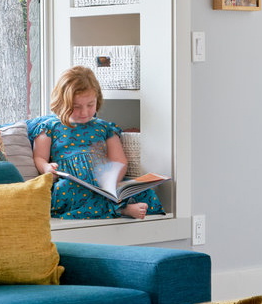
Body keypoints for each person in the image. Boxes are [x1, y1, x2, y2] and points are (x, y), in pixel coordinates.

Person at [32, 66, 164, 220]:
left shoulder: (104, 128)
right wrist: (47, 168)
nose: (84, 112)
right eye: (76, 107)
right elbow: (39, 157)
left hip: (103, 183)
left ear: (98, 100)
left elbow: (119, 160)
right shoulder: (50, 127)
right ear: (62, 102)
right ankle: (121, 210)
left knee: (142, 190)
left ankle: (115, 205)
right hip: (73, 184)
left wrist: (112, 179)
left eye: (90, 105)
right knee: (64, 191)